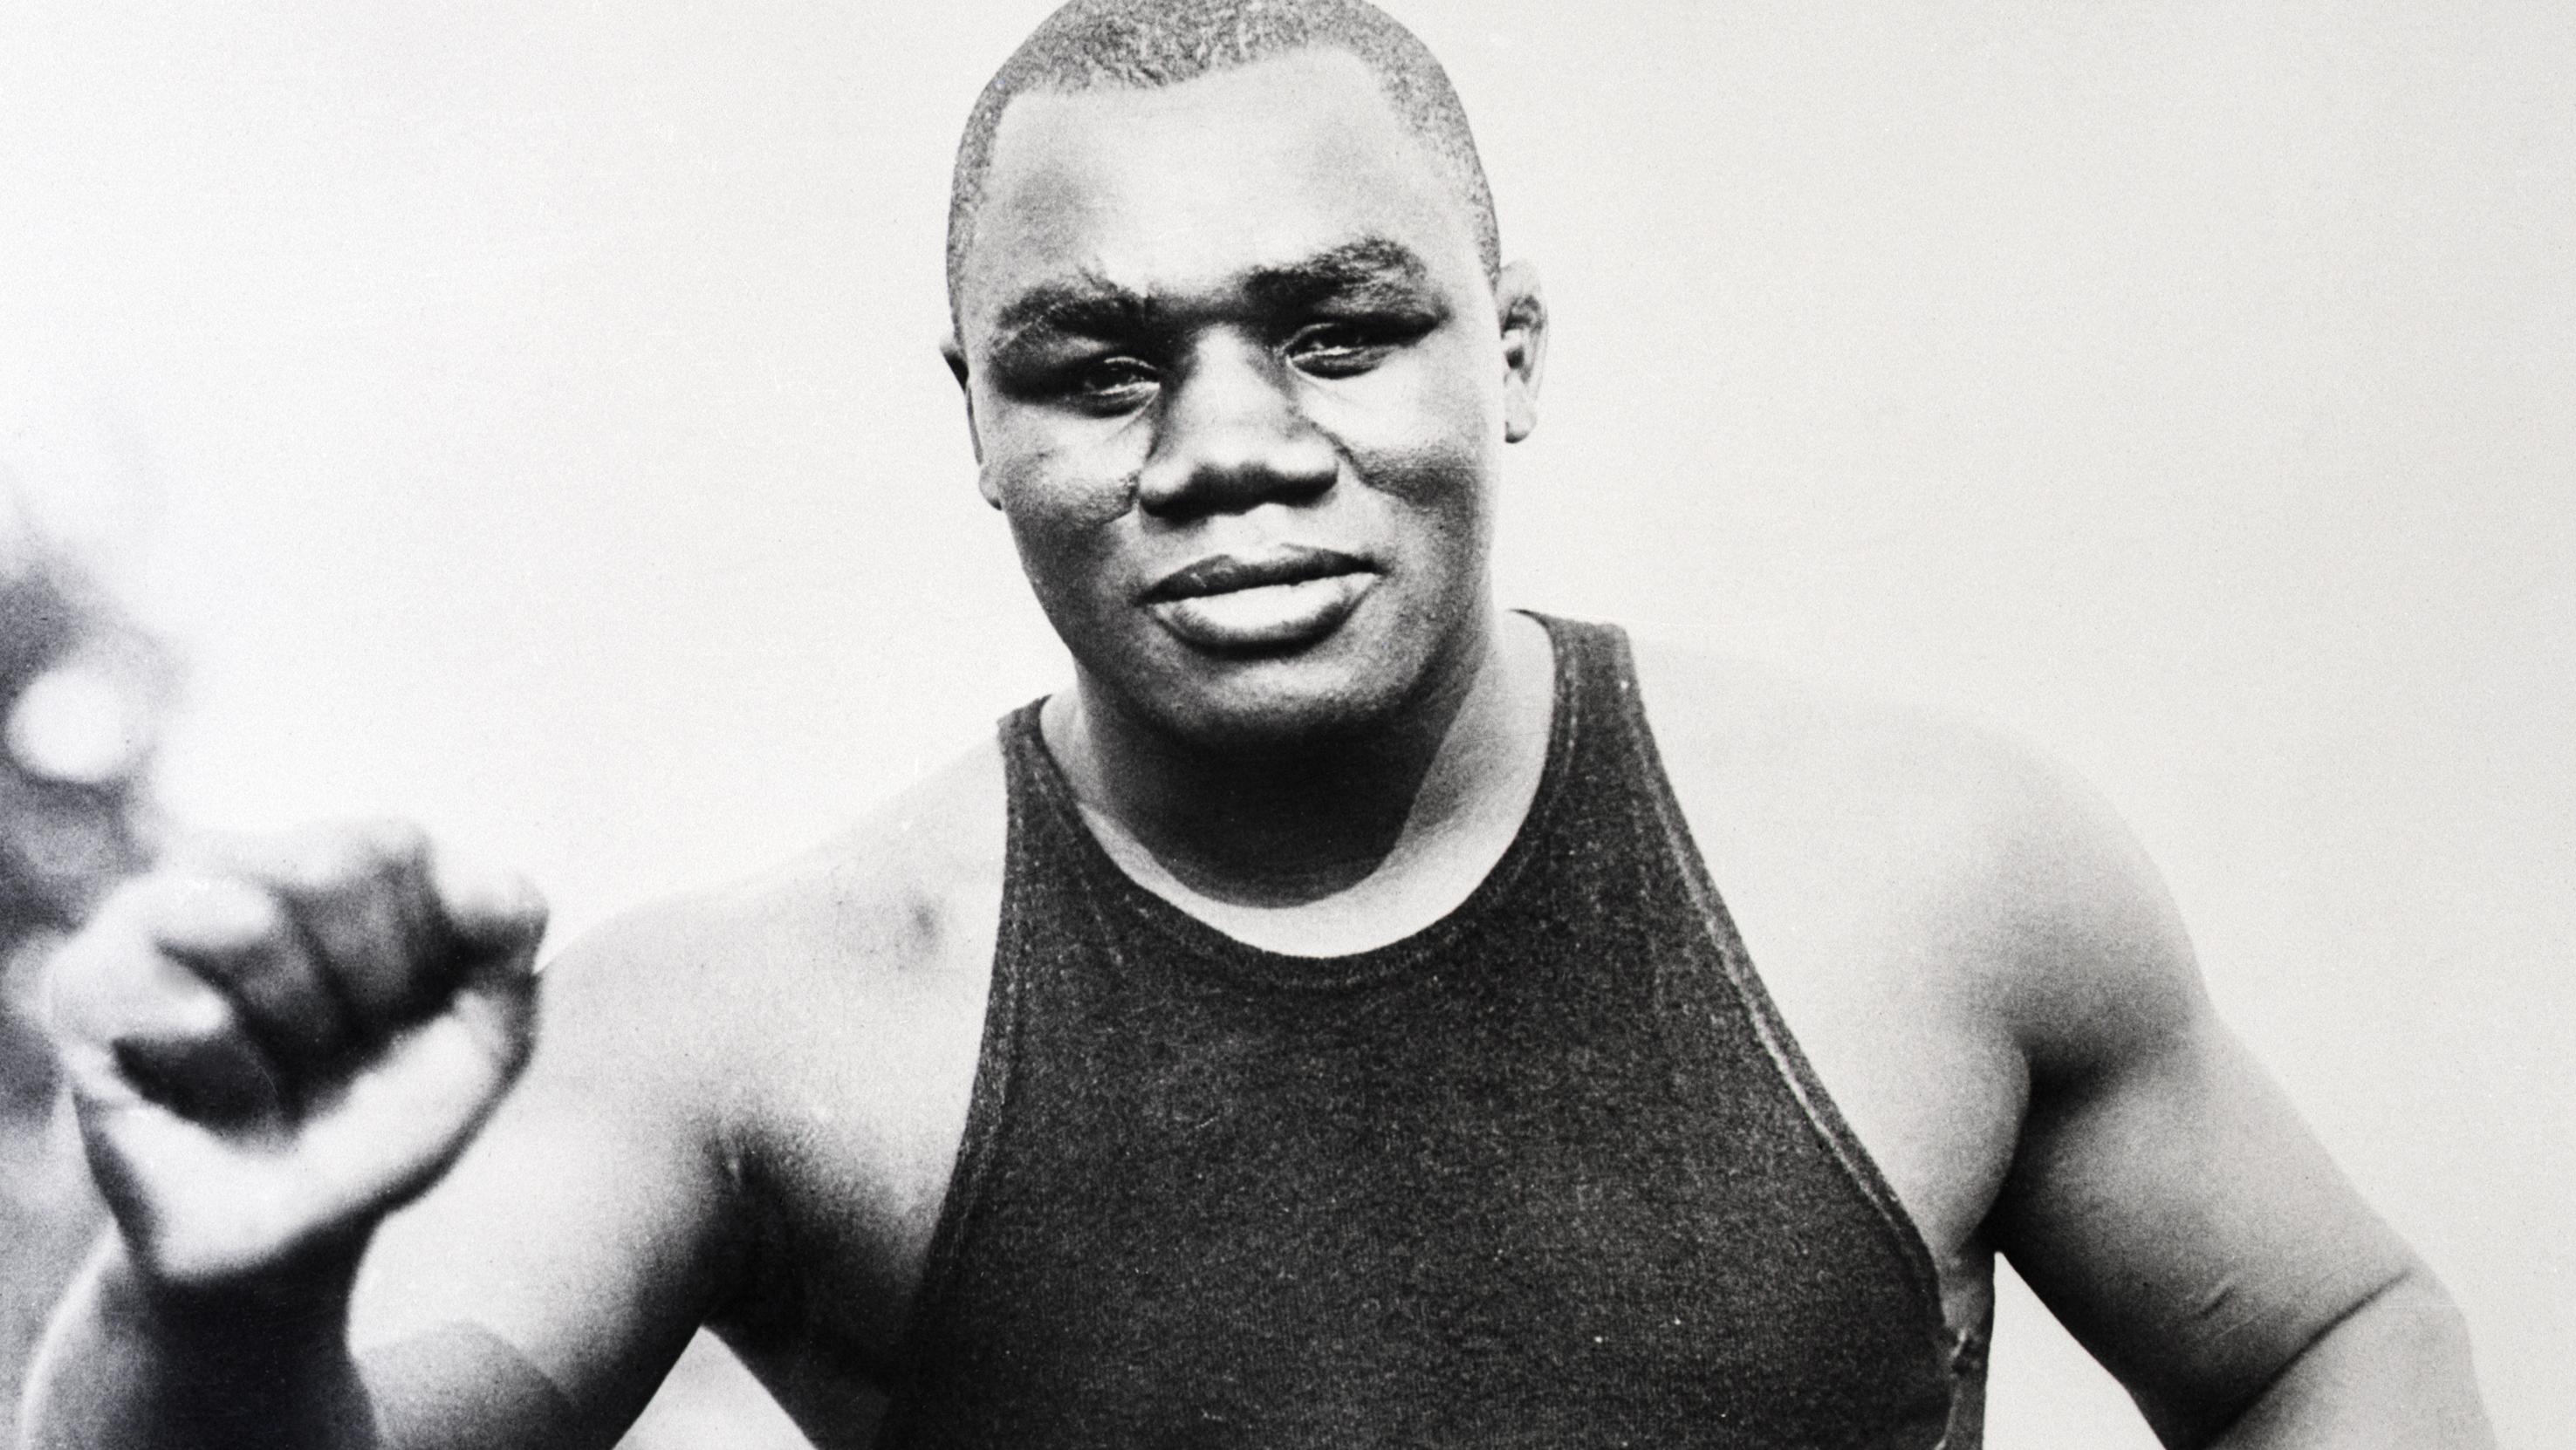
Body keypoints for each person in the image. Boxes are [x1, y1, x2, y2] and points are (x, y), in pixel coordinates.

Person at [20, 2, 2495, 1446]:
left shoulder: (1935, 878)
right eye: (1100, 365)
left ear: (1508, 350)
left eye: (1335, 328)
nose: (1225, 445)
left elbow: (2329, 1334)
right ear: (974, 414)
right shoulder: (780, 1020)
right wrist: (205, 1309)